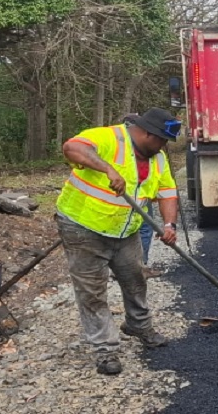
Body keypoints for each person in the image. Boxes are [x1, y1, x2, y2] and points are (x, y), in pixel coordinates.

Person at [56, 107, 181, 375]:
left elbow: (167, 191)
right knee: (92, 291)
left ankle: (139, 325)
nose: (163, 146)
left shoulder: (157, 158)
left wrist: (169, 224)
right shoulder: (109, 138)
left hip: (125, 231)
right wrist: (108, 169)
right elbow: (71, 147)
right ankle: (105, 350)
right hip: (83, 227)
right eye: (161, 140)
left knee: (135, 279)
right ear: (147, 133)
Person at [125, 114, 163, 279]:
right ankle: (135, 267)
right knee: (142, 230)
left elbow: (166, 188)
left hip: (142, 199)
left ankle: (139, 267)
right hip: (126, 202)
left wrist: (170, 225)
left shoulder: (154, 155)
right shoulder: (121, 148)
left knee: (144, 230)